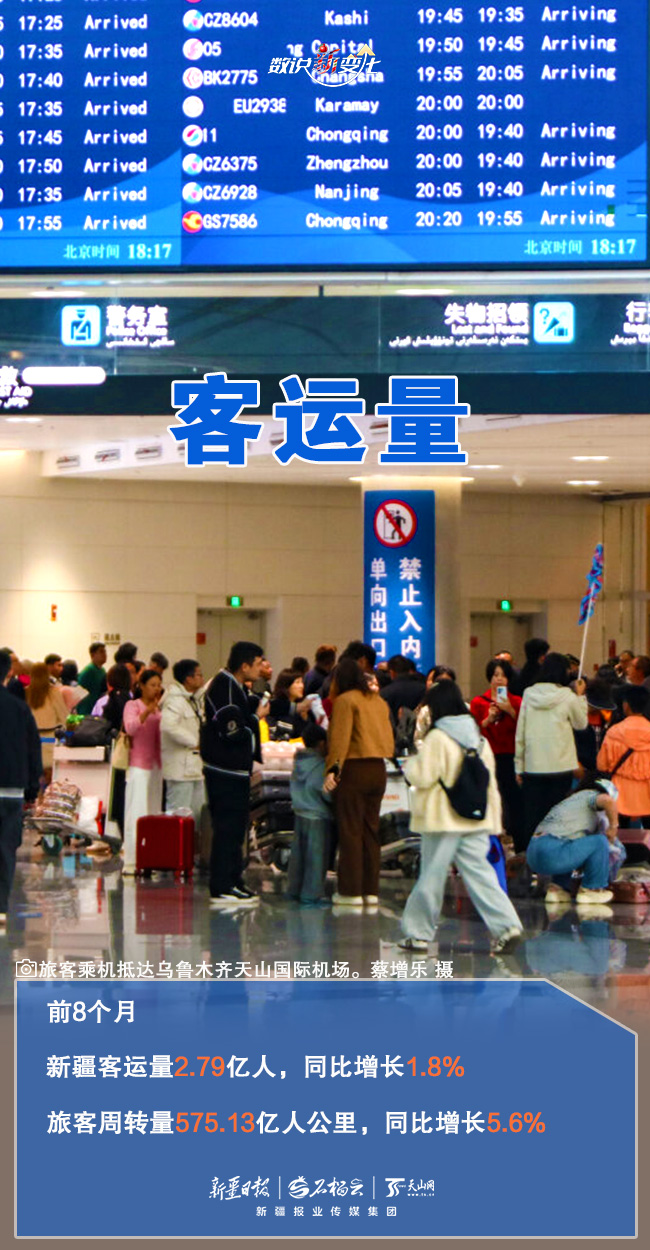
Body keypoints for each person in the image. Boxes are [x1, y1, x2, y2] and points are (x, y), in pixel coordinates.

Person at [399, 680, 523, 954]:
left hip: (443, 821)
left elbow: (422, 775)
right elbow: (489, 781)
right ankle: (507, 927)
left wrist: (410, 765)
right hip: (476, 819)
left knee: (431, 876)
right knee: (481, 875)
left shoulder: (438, 738)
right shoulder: (478, 739)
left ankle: (418, 934)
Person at [324, 655, 394, 906]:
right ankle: (370, 891)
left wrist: (332, 771)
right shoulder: (379, 701)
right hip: (378, 769)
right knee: (370, 831)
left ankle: (351, 891)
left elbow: (340, 739)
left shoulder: (345, 701)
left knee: (350, 830)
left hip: (354, 770)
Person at [200, 641, 264, 906]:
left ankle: (234, 880)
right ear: (244, 666)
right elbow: (232, 731)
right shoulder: (223, 688)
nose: (262, 668)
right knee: (227, 829)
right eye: (258, 663)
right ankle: (222, 886)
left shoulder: (236, 687)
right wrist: (255, 719)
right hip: (224, 771)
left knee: (236, 829)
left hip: (235, 771)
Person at [515, 652, 588, 849]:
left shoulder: (529, 694)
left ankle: (531, 857)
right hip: (561, 766)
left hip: (533, 765)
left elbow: (520, 732)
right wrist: (580, 696)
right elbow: (581, 724)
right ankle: (555, 855)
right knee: (557, 815)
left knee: (533, 815)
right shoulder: (568, 696)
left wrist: (518, 766)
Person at [527, 776, 620, 906]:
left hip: (533, 855)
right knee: (600, 841)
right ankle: (592, 890)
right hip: (553, 853)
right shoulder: (591, 795)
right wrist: (613, 827)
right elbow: (607, 801)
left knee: (573, 842)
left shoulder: (571, 801)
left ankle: (557, 890)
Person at [0, 650, 42, 928]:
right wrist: (31, 788)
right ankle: (1, 908)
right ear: (8, 672)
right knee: (6, 850)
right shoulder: (19, 708)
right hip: (12, 790)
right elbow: (33, 748)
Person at [470, 658, 523, 849]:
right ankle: (491, 839)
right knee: (490, 796)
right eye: (495, 675)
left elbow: (524, 728)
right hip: (488, 755)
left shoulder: (517, 701)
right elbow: (472, 731)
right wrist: (488, 719)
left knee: (512, 798)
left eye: (503, 676)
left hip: (510, 755)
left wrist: (510, 710)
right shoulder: (478, 702)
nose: (499, 679)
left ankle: (516, 839)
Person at [121, 668, 164, 875]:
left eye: (159, 685)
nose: (156, 689)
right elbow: (130, 728)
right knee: (136, 811)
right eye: (152, 685)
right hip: (138, 765)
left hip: (157, 766)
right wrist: (147, 712)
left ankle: (151, 857)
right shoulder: (133, 705)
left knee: (153, 811)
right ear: (142, 686)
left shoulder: (160, 709)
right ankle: (131, 860)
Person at [287, 722, 333, 905]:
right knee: (316, 858)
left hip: (299, 812)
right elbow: (324, 791)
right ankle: (311, 895)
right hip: (317, 815)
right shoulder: (320, 765)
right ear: (322, 743)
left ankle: (294, 890)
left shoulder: (299, 761)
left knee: (298, 857)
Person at [597, 684, 650, 830]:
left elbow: (602, 765)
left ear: (626, 705)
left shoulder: (614, 732)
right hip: (647, 795)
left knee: (619, 832)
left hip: (619, 795)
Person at [161, 659, 205, 829]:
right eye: (199, 675)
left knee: (197, 815)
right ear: (188, 679)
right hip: (179, 769)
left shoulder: (193, 700)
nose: (202, 678)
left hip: (195, 767)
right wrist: (194, 741)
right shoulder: (174, 700)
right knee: (178, 815)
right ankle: (174, 846)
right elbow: (167, 725)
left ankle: (193, 845)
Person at [26, 662, 69, 780]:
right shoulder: (53, 692)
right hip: (50, 741)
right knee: (51, 778)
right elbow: (63, 716)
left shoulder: (26, 692)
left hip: (31, 741)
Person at [380, 654, 426, 722]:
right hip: (419, 726)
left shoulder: (385, 692)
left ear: (392, 673)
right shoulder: (423, 689)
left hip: (393, 728)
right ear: (409, 671)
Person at [268, 668, 311, 739]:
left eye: (302, 682)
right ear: (286, 686)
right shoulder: (277, 707)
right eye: (297, 682)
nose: (301, 686)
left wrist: (305, 718)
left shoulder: (300, 707)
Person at [76, 643, 108, 716]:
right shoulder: (88, 671)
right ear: (92, 655)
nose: (104, 654)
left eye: (105, 651)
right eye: (101, 652)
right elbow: (78, 691)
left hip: (97, 708)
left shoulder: (102, 670)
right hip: (86, 710)